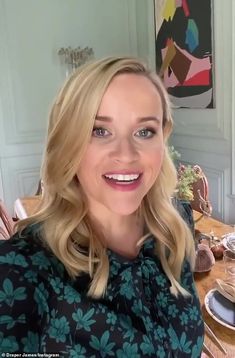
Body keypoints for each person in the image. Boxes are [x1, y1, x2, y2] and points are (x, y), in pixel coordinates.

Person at [0, 57, 204, 356]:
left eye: (145, 131)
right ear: (68, 141)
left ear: (163, 138)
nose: (126, 154)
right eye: (99, 131)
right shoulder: (23, 269)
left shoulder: (176, 225)